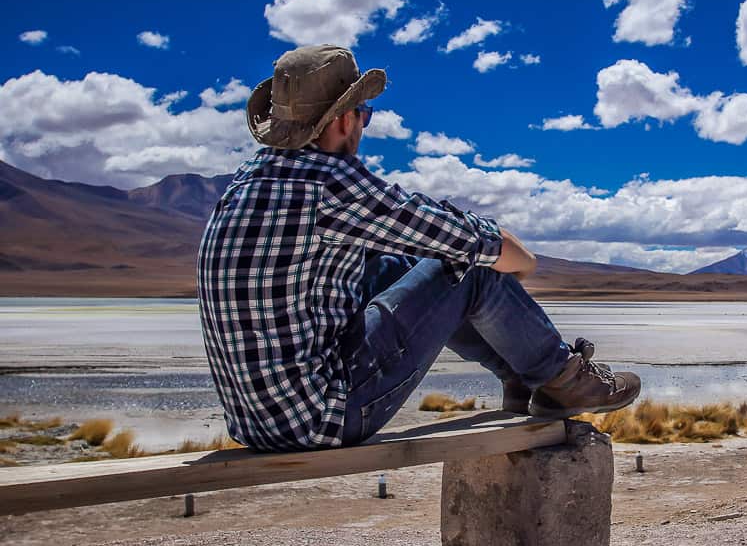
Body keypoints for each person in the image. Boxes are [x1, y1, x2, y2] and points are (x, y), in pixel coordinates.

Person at [197, 44, 640, 451]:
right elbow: (479, 244)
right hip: (322, 418)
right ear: (342, 120)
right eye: (364, 114)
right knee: (470, 269)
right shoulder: (327, 185)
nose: (363, 126)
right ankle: (561, 378)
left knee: (395, 265)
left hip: (256, 421)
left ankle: (525, 379)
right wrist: (516, 264)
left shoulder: (246, 184)